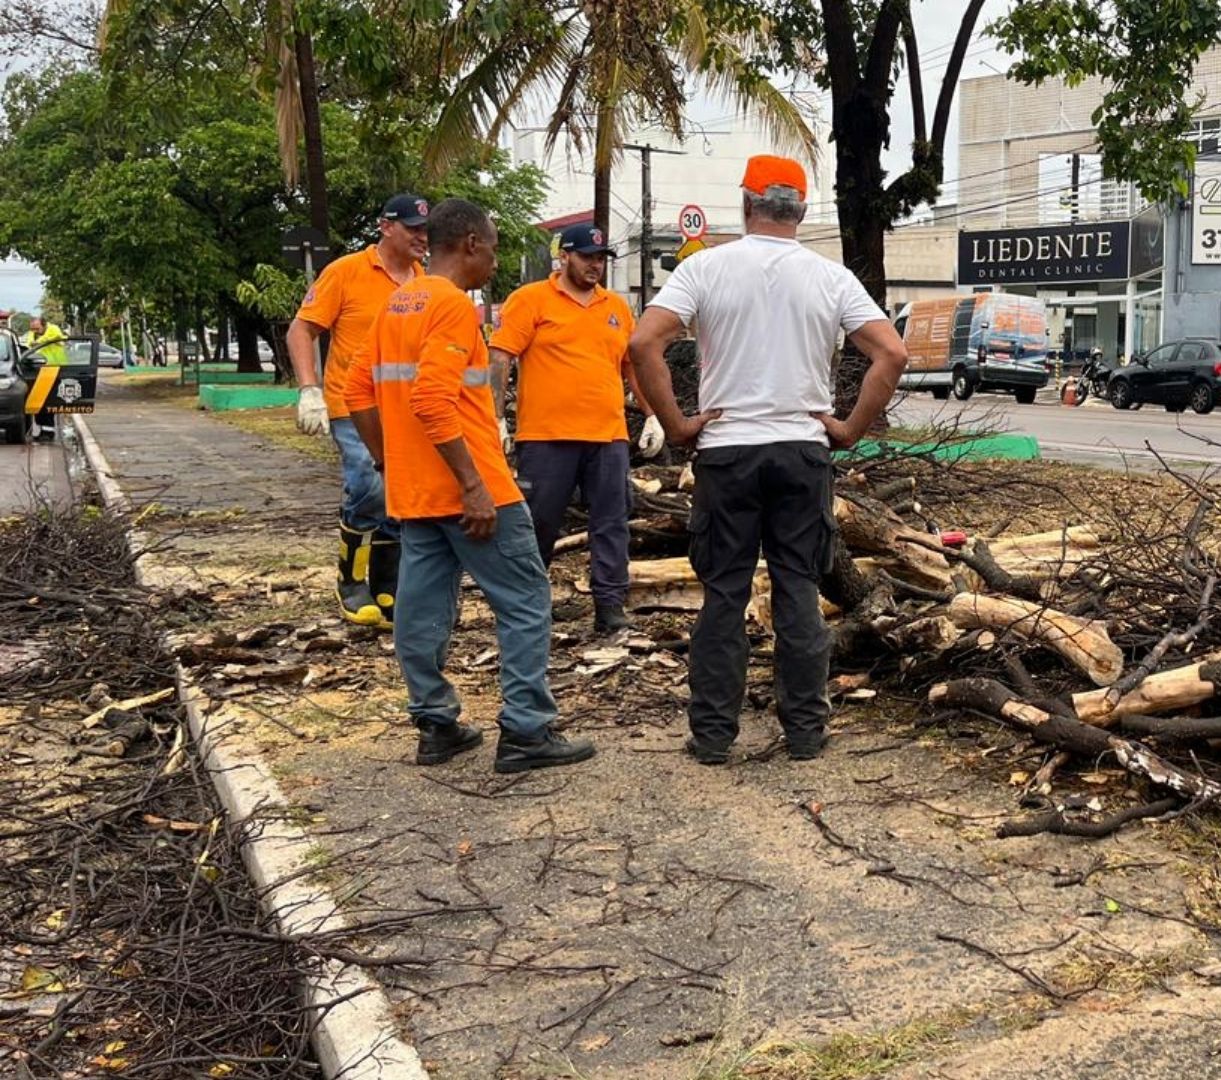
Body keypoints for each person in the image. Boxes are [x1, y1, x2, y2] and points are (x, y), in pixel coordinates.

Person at [627, 155, 909, 765]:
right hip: (801, 453)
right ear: (801, 211)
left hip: (727, 453)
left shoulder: (705, 268)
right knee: (798, 591)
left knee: (724, 595)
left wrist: (678, 426)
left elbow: (644, 342)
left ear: (747, 203)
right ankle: (805, 732)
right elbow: (891, 354)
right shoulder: (831, 278)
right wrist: (849, 429)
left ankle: (712, 737)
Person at [344, 198, 595, 774]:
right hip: (474, 491)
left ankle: (436, 725)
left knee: (420, 608)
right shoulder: (454, 306)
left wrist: (387, 461)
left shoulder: (396, 304)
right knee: (525, 601)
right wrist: (472, 486)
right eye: (495, 248)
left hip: (415, 494)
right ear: (472, 244)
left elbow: (356, 391)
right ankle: (527, 730)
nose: (496, 261)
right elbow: (432, 400)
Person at [488, 222, 654, 634]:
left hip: (608, 436)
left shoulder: (616, 308)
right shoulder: (531, 300)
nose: (595, 265)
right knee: (539, 524)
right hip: (547, 437)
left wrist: (653, 415)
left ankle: (610, 606)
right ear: (564, 257)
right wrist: (495, 417)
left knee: (611, 523)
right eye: (586, 257)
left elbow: (633, 367)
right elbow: (501, 357)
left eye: (600, 258)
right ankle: (526, 606)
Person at [287, 194, 431, 627]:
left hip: (405, 408)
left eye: (426, 231)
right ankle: (350, 580)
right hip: (352, 404)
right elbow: (301, 329)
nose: (422, 238)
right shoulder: (346, 271)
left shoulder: (425, 280)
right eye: (413, 229)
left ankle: (386, 586)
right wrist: (308, 390)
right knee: (369, 486)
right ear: (386, 227)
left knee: (400, 494)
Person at [23, 316, 68, 441]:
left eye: (37, 328)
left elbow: (51, 337)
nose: (35, 331)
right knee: (38, 402)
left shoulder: (53, 329)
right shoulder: (32, 334)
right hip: (39, 371)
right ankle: (42, 430)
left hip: (55, 369)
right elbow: (29, 345)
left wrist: (38, 342)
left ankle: (49, 431)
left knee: (49, 402)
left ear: (44, 324)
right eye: (32, 329)